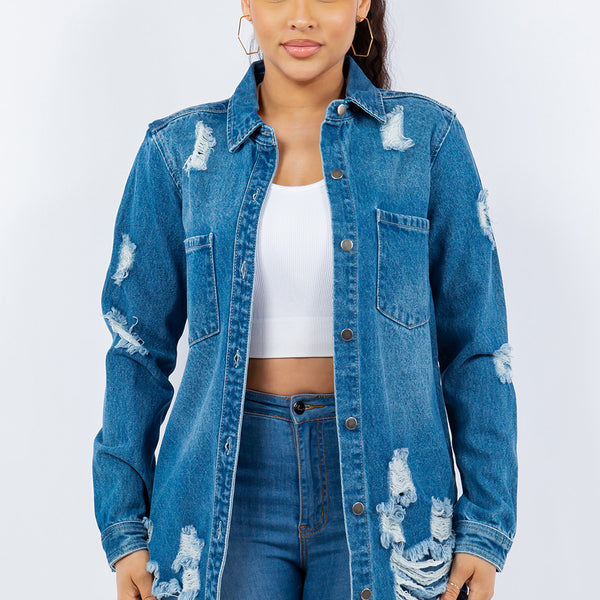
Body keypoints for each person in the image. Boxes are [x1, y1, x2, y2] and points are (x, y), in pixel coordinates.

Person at [92, 1, 518, 599]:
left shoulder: (427, 141)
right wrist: (123, 526)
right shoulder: (180, 151)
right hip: (224, 487)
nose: (301, 16)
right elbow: (136, 348)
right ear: (247, 4)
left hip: (389, 487)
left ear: (362, 4)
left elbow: (477, 346)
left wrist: (485, 526)